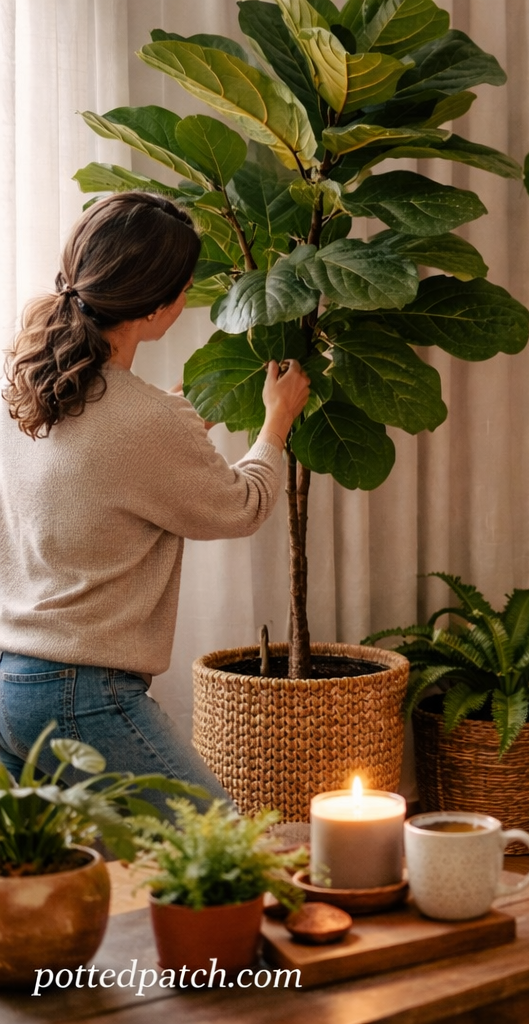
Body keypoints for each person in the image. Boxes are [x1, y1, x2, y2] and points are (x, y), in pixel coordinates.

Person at [0, 191, 310, 799]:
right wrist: (277, 421)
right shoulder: (145, 419)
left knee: (52, 883)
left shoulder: (25, 384)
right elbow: (243, 505)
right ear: (159, 308)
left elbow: (97, 464)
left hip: (11, 684)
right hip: (79, 697)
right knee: (222, 859)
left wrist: (173, 424)